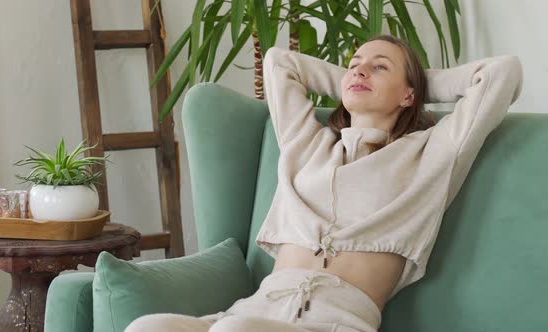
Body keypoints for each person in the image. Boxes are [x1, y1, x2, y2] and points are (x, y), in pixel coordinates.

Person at [125, 34, 523, 332]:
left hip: (333, 322)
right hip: (255, 311)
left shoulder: (433, 153)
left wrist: (418, 86)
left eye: (379, 66)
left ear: (409, 96)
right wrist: (363, 80)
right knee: (146, 328)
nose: (359, 70)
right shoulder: (307, 144)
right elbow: (281, 64)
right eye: (353, 63)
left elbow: (501, 73)